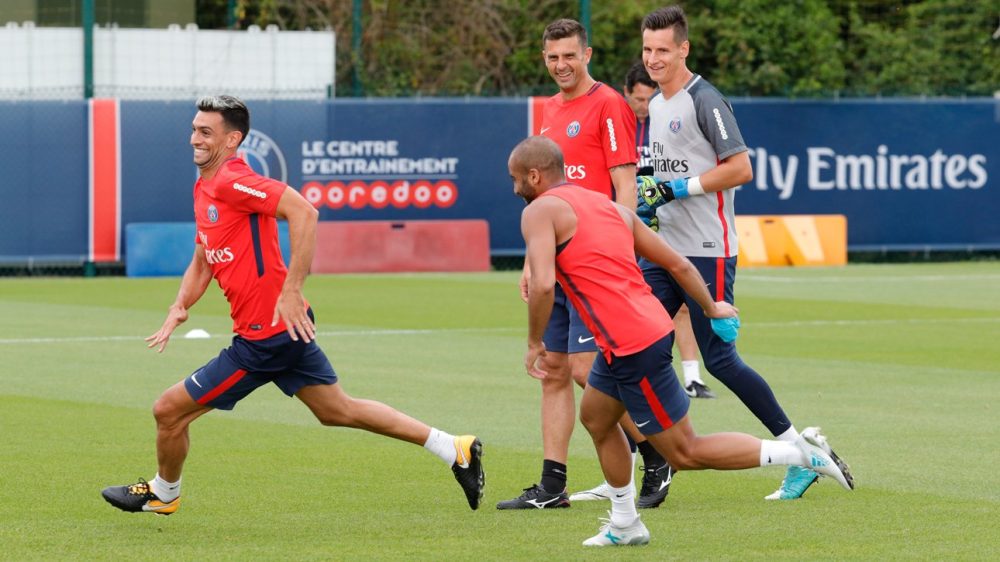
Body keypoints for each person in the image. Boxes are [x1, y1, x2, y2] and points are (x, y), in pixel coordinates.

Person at [100, 95, 484, 515]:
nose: (194, 138)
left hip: (266, 337)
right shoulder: (204, 185)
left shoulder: (232, 180)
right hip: (283, 331)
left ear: (233, 140)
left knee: (168, 411)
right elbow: (204, 254)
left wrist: (292, 288)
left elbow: (304, 211)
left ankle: (164, 494)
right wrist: (180, 304)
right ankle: (453, 448)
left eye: (205, 132)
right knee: (338, 410)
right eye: (194, 129)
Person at [510, 135, 853, 546]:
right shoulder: (607, 206)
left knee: (684, 453)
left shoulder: (538, 211)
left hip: (633, 343)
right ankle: (625, 523)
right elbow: (677, 262)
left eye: (516, 179)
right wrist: (710, 307)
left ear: (534, 175)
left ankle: (802, 455)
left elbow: (544, 284)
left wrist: (535, 343)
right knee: (597, 419)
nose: (514, 188)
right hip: (631, 336)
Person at [636, 5, 824, 500]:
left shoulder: (706, 99)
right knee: (638, 346)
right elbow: (666, 177)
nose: (653, 58)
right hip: (663, 250)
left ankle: (798, 449)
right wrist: (651, 195)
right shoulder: (656, 104)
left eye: (663, 49)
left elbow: (740, 169)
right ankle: (659, 457)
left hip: (707, 250)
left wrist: (677, 187)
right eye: (647, 49)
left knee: (718, 358)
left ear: (684, 49)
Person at [499, 18, 658, 510]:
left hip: (594, 264)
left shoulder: (609, 103)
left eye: (570, 55)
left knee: (590, 369)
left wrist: (622, 252)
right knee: (553, 369)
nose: (561, 65)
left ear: (587, 55)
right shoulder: (549, 109)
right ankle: (553, 485)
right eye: (553, 57)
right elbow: (541, 199)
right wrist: (533, 261)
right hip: (559, 262)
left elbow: (625, 184)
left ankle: (656, 451)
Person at [625, 61, 716, 400]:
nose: (645, 106)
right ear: (627, 95)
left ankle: (691, 377)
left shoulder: (668, 118)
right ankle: (633, 373)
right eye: (638, 100)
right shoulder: (621, 126)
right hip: (629, 227)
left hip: (667, 225)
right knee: (637, 305)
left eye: (650, 98)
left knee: (681, 303)